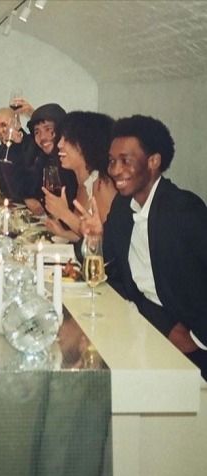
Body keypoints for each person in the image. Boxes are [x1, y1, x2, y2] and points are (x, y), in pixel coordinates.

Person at [75, 114, 207, 378]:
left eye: (126, 160)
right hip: (145, 320)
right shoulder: (125, 206)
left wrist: (197, 338)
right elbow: (107, 265)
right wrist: (94, 240)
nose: (114, 170)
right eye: (112, 161)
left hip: (186, 340)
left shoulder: (183, 211)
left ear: (153, 162)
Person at [43, 111, 117, 241]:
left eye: (67, 139)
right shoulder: (81, 181)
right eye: (60, 138)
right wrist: (62, 233)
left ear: (88, 144)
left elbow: (106, 242)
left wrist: (64, 214)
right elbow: (84, 237)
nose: (59, 144)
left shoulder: (102, 183)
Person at [24, 103, 78, 215]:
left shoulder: (75, 163)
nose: (42, 137)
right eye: (37, 132)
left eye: (48, 129)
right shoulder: (44, 160)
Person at [0, 105, 35, 203]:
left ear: (17, 124)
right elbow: (8, 192)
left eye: (3, 125)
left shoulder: (34, 143)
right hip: (16, 210)